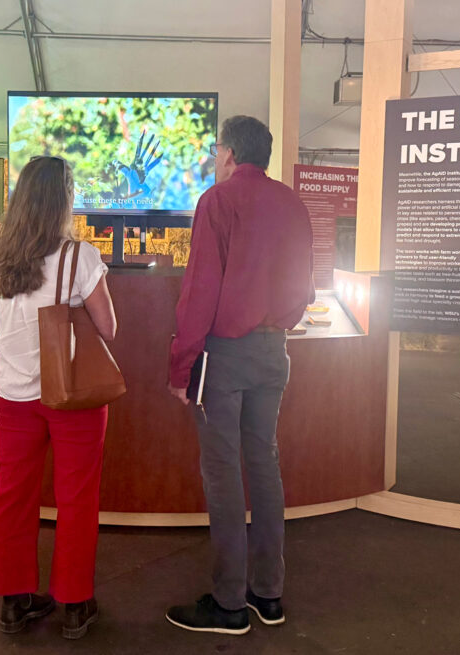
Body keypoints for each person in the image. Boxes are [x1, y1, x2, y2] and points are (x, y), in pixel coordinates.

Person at [165, 116, 314, 635]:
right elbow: (304, 286)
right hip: (275, 351)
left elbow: (200, 291)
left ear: (228, 154)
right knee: (264, 464)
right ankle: (268, 594)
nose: (213, 158)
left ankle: (228, 603)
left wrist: (181, 365)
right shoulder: (293, 203)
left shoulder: (217, 201)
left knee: (223, 474)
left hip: (223, 357)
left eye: (215, 150)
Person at [0, 156, 117, 640]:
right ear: (65, 199)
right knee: (76, 498)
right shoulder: (80, 257)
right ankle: (75, 605)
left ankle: (13, 602)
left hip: (11, 393)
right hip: (72, 395)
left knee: (12, 494)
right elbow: (108, 327)